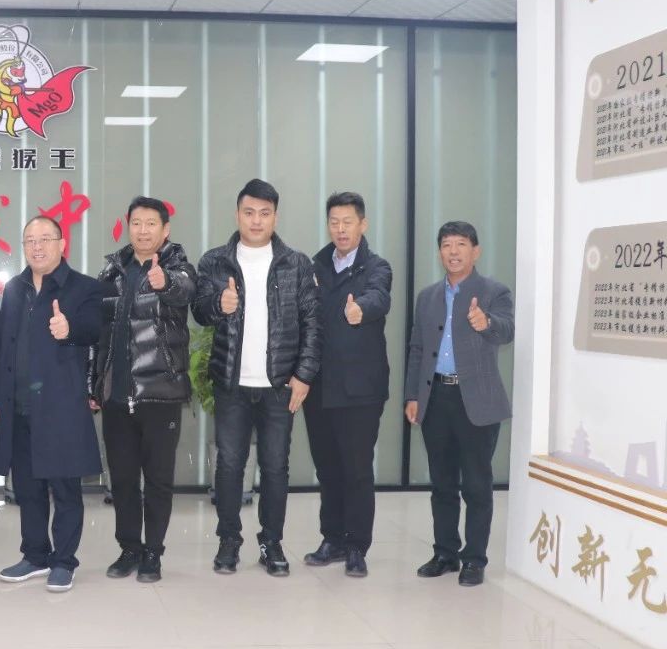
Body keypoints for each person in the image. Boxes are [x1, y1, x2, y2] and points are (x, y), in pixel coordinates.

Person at [192, 179, 321, 577]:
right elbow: (198, 310)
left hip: (279, 385)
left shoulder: (296, 263)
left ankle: (272, 542)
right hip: (231, 383)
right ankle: (229, 541)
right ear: (237, 214)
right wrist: (219, 303)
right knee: (230, 465)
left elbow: (312, 323)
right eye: (249, 212)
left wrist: (304, 375)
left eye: (264, 214)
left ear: (275, 217)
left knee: (276, 466)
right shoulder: (215, 261)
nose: (256, 221)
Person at [0, 216, 103, 593]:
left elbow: (96, 329)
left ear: (61, 243)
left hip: (61, 406)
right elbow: (3, 345)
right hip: (19, 405)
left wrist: (69, 330)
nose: (37, 247)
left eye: (45, 239)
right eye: (30, 241)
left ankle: (64, 561)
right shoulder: (15, 289)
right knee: (27, 488)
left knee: (65, 488)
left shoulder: (84, 287)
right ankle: (35, 555)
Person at [91, 196, 196, 583]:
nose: (143, 230)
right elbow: (100, 334)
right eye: (136, 223)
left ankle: (153, 552)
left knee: (157, 480)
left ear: (165, 230)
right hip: (117, 395)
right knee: (121, 480)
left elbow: (185, 290)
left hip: (159, 393)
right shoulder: (112, 272)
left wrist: (165, 282)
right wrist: (94, 384)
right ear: (128, 226)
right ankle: (129, 548)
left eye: (152, 223)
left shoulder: (178, 267)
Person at [404, 221, 514, 587]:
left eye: (461, 244)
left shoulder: (494, 292)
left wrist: (486, 322)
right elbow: (417, 349)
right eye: (447, 245)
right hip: (436, 398)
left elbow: (507, 329)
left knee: (477, 485)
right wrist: (413, 395)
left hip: (476, 402)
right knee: (442, 483)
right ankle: (445, 553)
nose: (453, 251)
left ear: (475, 251)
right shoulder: (427, 297)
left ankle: (475, 559)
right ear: (440, 252)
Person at [302, 192, 392, 578]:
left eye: (348, 222)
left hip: (360, 388)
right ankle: (333, 538)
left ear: (362, 224)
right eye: (334, 222)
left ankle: (357, 545)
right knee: (327, 468)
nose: (340, 229)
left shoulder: (376, 266)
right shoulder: (315, 266)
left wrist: (361, 309)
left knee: (356, 469)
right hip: (320, 386)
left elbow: (379, 297)